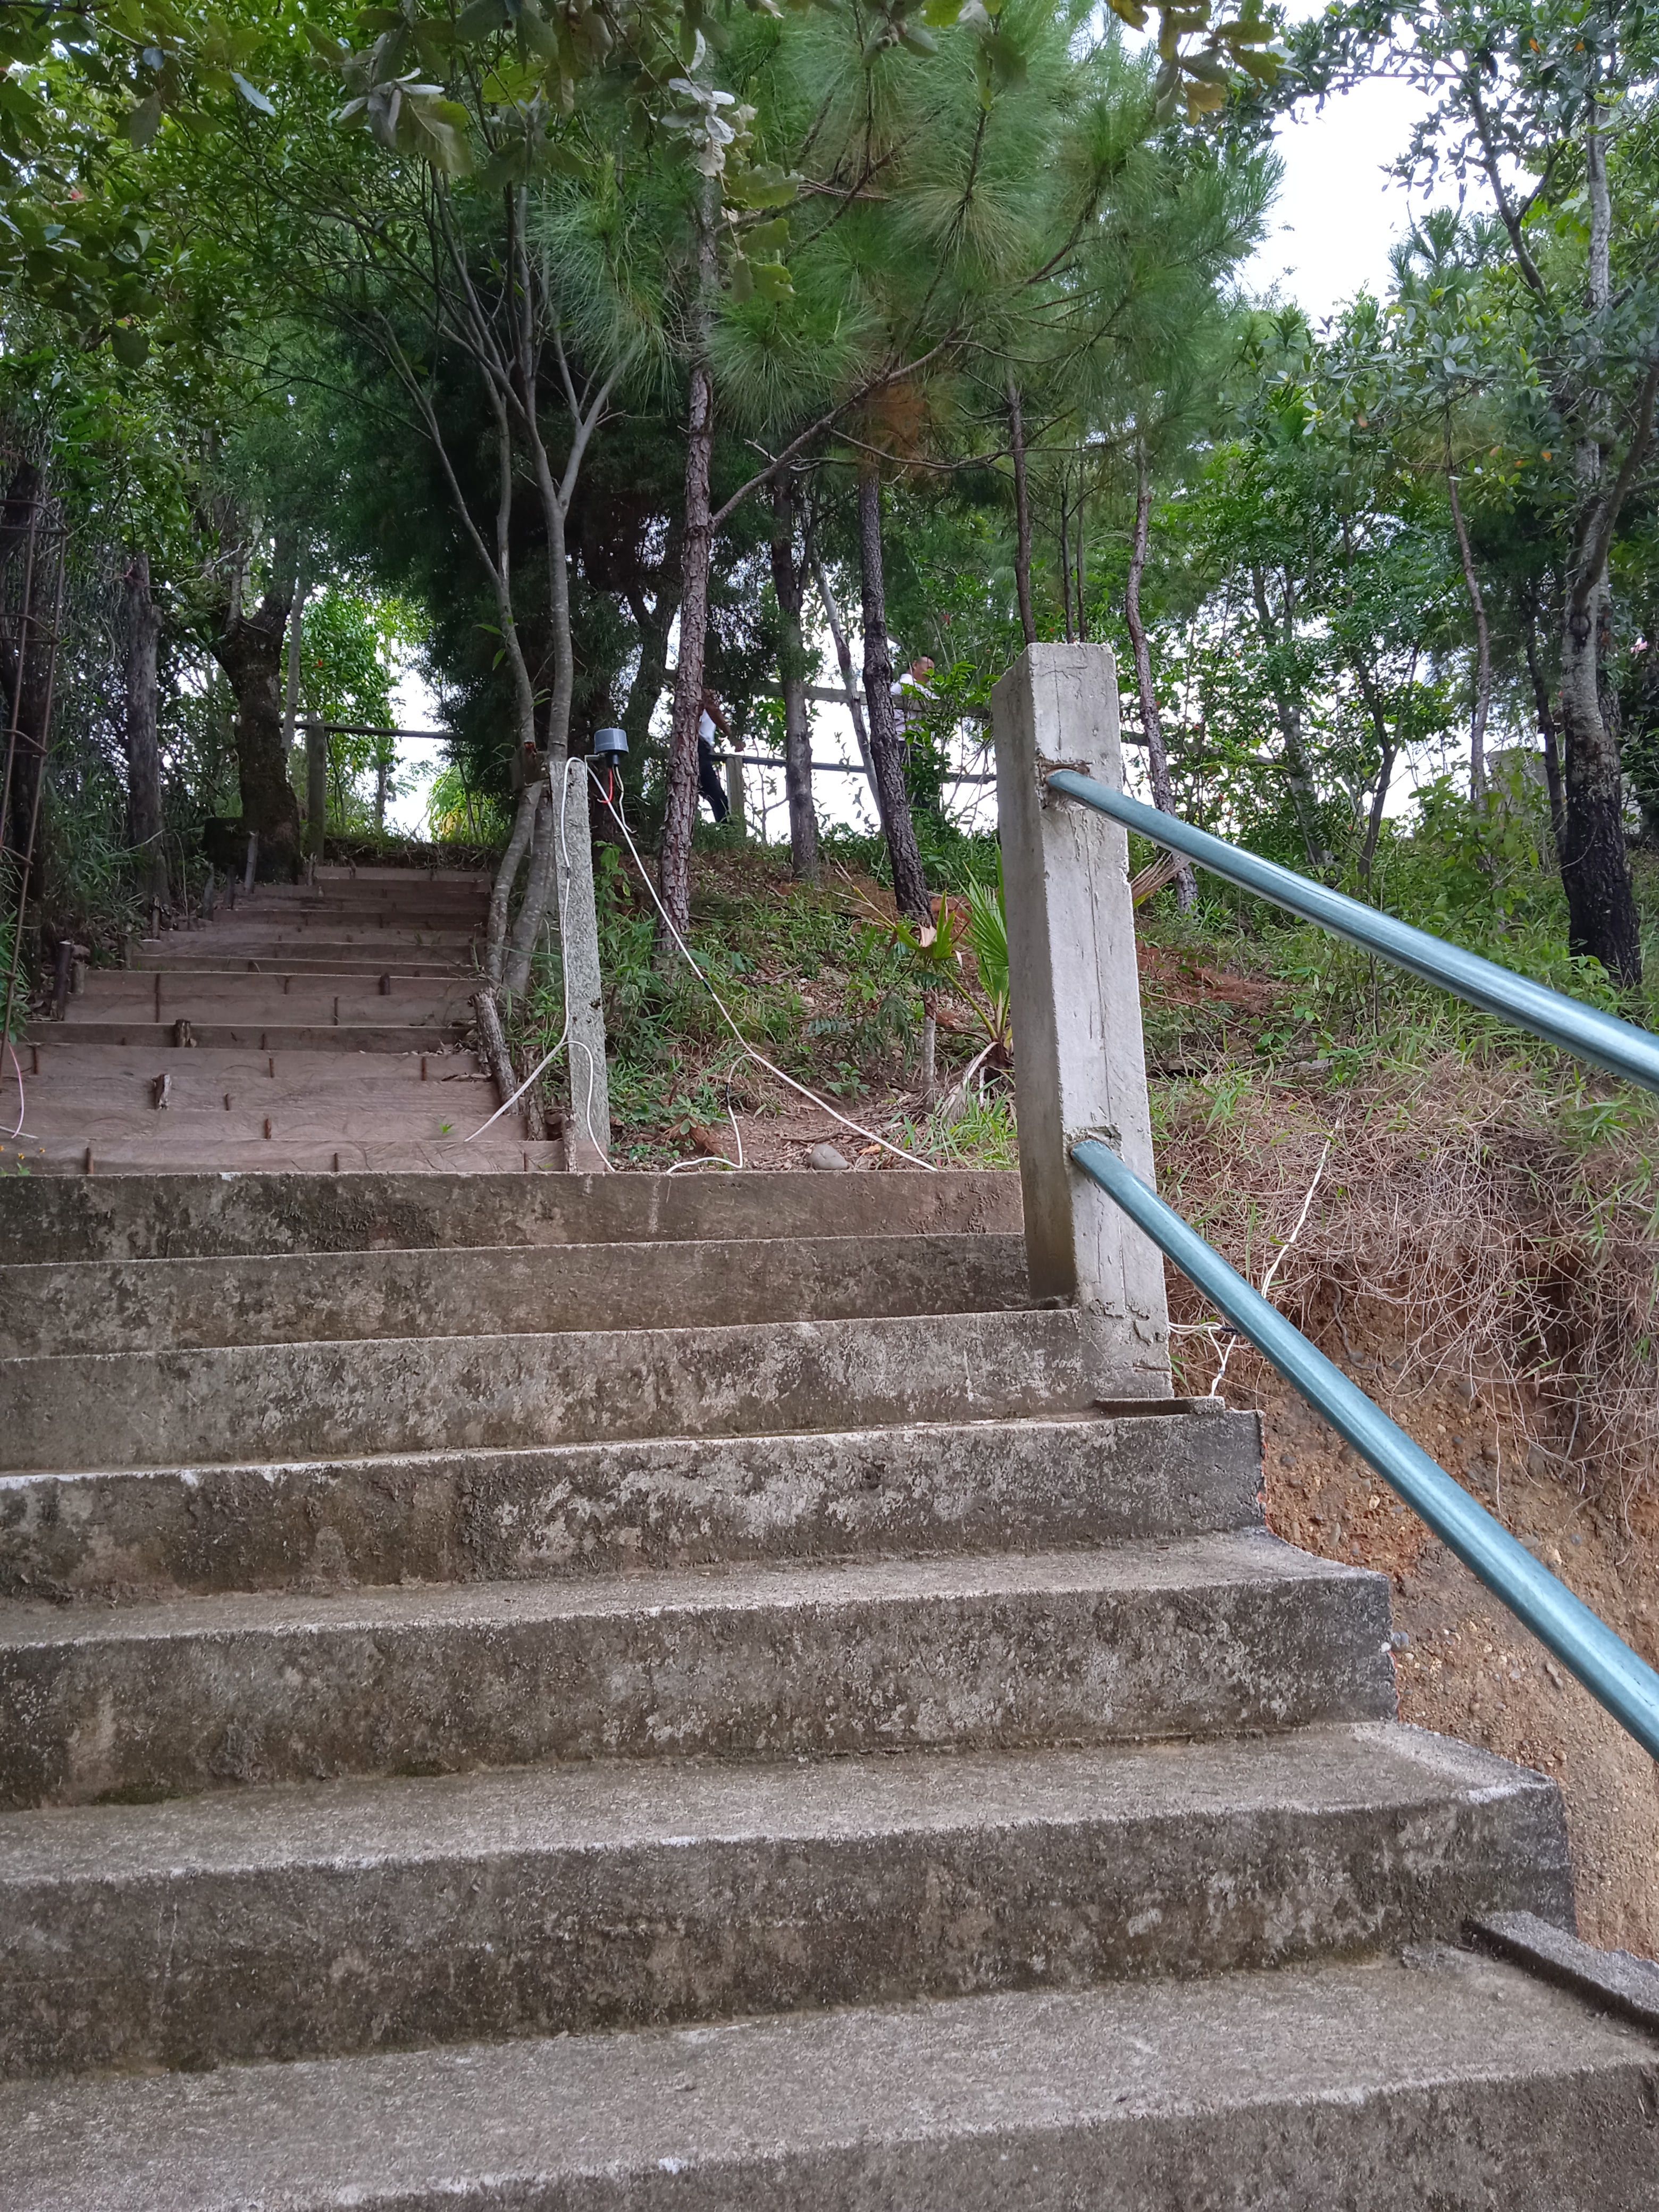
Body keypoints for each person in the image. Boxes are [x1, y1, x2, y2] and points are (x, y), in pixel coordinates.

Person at [697, 688, 731, 824]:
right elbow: (713, 710)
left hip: (703, 750)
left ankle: (727, 836)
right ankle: (726, 834)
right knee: (716, 797)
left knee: (717, 797)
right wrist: (732, 735)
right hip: (697, 748)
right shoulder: (702, 703)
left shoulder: (707, 707)